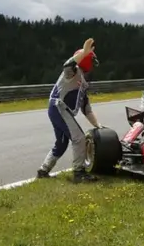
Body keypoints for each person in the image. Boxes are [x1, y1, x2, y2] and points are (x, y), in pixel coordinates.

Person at [36, 38, 103, 183]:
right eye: (92, 61)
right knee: (79, 137)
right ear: (86, 60)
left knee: (61, 143)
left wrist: (97, 125)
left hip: (57, 109)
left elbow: (86, 109)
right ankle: (79, 173)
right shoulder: (71, 72)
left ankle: (43, 170)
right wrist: (85, 52)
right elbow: (68, 64)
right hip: (58, 107)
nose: (93, 66)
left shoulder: (83, 83)